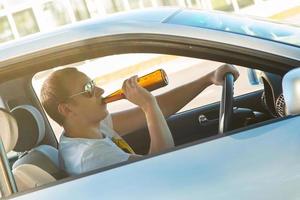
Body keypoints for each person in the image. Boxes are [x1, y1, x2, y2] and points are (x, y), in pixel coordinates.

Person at [40, 64, 239, 175]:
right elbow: (162, 165)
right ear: (66, 109)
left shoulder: (87, 129)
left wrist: (207, 79)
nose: (100, 90)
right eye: (88, 90)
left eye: (93, 84)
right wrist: (147, 105)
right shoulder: (91, 157)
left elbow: (163, 107)